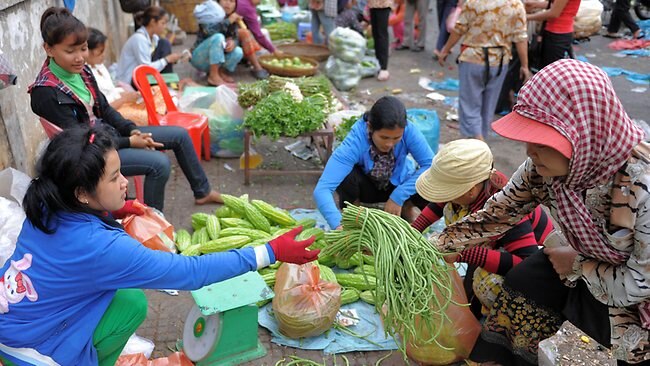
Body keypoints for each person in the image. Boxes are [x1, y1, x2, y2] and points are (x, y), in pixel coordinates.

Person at [0, 126, 319, 366]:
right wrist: (270, 252)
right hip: (31, 351)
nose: (125, 182)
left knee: (128, 300)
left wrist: (111, 207)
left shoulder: (46, 202)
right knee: (132, 304)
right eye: (114, 179)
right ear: (82, 193)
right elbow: (191, 272)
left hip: (10, 320)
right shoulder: (101, 248)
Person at [437, 59, 650, 365]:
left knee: (632, 352)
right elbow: (499, 212)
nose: (528, 151)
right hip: (589, 261)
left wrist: (577, 263)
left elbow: (638, 284)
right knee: (526, 281)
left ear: (585, 134)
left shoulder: (641, 187)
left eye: (540, 140)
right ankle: (504, 359)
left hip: (636, 292)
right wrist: (439, 246)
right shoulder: (543, 170)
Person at [30, 7, 222, 211]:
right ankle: (149, 220)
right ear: (48, 49)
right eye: (70, 51)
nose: (80, 57)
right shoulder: (46, 92)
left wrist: (131, 129)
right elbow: (80, 144)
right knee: (159, 165)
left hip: (107, 136)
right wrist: (129, 142)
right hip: (90, 157)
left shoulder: (82, 71)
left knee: (180, 136)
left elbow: (104, 108)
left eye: (83, 48)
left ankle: (202, 191)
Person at [412, 139, 552, 316]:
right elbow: (441, 203)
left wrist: (463, 253)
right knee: (452, 212)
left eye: (450, 192)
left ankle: (499, 319)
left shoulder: (509, 208)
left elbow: (525, 263)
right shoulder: (479, 184)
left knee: (485, 282)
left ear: (470, 190)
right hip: (493, 246)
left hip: (538, 266)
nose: (446, 197)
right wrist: (412, 231)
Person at [313, 96, 433, 229]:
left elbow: (430, 165)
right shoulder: (355, 141)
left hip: (397, 184)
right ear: (370, 127)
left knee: (432, 182)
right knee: (346, 176)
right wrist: (336, 224)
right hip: (368, 188)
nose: (389, 144)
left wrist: (399, 196)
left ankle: (406, 207)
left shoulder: (409, 131)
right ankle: (354, 214)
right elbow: (322, 189)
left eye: (396, 138)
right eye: (384, 137)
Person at [438, 0, 530, 140]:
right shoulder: (516, 4)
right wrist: (525, 65)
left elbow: (459, 28)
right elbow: (521, 37)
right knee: (488, 107)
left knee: (470, 106)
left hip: (473, 59)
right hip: (500, 62)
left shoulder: (473, 2)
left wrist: (445, 50)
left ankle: (477, 142)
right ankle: (481, 140)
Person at [86, 27, 166, 126]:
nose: (104, 55)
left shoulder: (100, 66)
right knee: (149, 115)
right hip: (114, 110)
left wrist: (136, 94)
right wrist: (125, 99)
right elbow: (102, 110)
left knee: (158, 91)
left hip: (122, 101)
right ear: (87, 51)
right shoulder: (87, 75)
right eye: (100, 52)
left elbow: (113, 90)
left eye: (103, 51)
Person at [191, 0, 268, 85]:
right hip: (200, 58)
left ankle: (221, 72)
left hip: (216, 61)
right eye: (225, 0)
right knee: (218, 37)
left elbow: (235, 36)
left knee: (238, 51)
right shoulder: (210, 13)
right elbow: (209, 31)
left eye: (232, 1)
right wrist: (228, 21)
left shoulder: (232, 17)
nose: (228, 3)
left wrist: (233, 43)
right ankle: (214, 76)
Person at [115, 6, 182, 86]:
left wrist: (173, 59)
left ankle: (167, 83)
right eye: (163, 23)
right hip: (131, 80)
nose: (165, 27)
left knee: (164, 44)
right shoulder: (139, 39)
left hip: (141, 75)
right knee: (165, 45)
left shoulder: (154, 38)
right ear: (153, 22)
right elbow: (146, 68)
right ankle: (167, 85)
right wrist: (167, 59)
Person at [525, 0, 580, 68]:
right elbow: (557, 5)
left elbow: (554, 13)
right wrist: (536, 4)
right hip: (559, 32)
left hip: (557, 34)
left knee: (550, 69)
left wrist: (526, 17)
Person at [368, 0, 393, 80]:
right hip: (372, 4)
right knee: (375, 34)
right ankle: (378, 63)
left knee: (381, 34)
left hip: (383, 4)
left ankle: (383, 67)